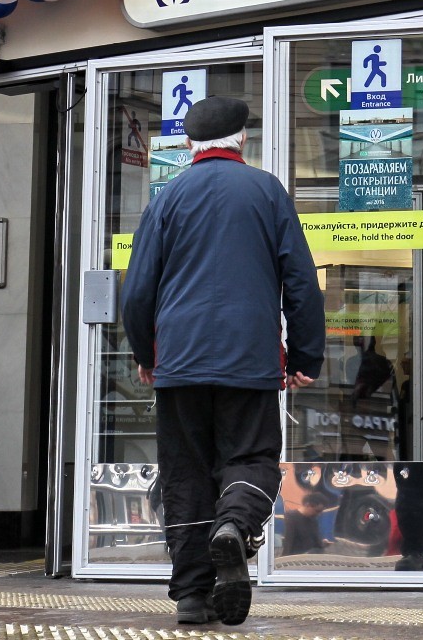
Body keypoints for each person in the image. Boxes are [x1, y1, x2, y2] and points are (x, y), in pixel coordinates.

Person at [122, 96, 324, 627]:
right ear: (242, 139)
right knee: (251, 455)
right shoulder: (266, 191)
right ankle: (233, 526)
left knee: (185, 473)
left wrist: (148, 353)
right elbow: (300, 281)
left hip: (180, 363)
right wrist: (305, 354)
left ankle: (192, 596)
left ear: (189, 144)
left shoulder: (167, 199)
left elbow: (138, 290)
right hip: (249, 358)